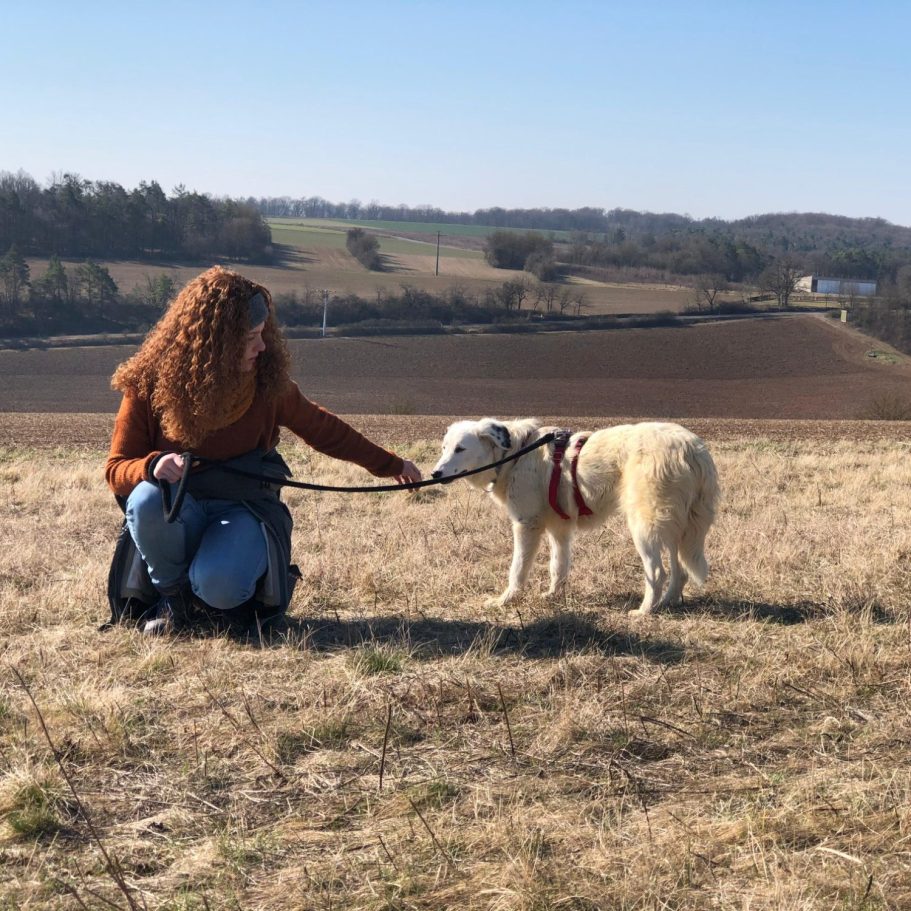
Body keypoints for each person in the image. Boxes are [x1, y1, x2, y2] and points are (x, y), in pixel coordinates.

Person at [105, 266, 421, 634]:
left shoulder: (269, 385)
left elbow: (324, 430)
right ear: (213, 343)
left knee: (221, 586)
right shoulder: (148, 385)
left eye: (262, 333)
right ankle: (175, 603)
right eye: (250, 337)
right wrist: (153, 465)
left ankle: (216, 600)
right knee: (145, 499)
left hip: (245, 509)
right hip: (179, 513)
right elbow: (116, 469)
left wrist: (390, 464)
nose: (262, 346)